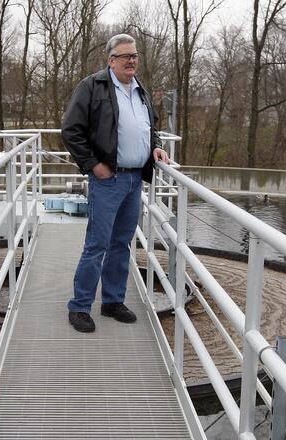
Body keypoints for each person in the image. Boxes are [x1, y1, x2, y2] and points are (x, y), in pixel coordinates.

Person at [61, 33, 170, 333]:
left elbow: (152, 125)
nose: (132, 60)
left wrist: (156, 145)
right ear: (111, 60)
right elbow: (71, 130)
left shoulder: (140, 91)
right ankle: (80, 306)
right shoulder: (92, 87)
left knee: (122, 244)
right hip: (108, 180)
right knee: (97, 245)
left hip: (136, 180)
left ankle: (112, 301)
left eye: (135, 55)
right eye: (126, 56)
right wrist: (93, 165)